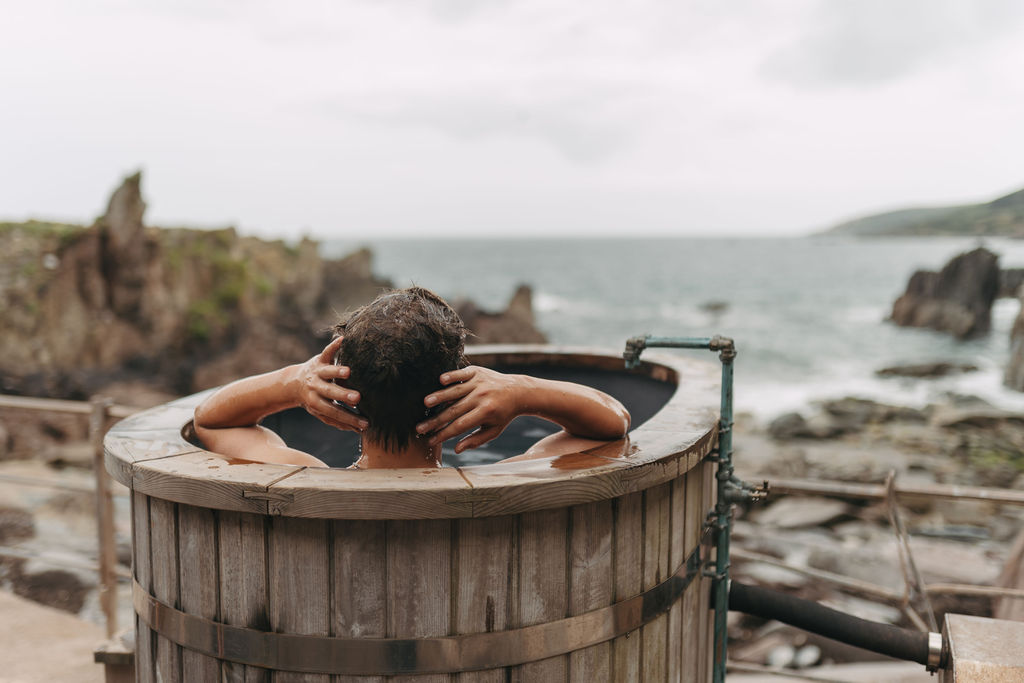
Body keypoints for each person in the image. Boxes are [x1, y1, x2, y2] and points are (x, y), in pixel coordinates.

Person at [194, 287, 630, 468]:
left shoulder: (300, 475)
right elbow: (612, 422)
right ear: (459, 389)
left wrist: (294, 381)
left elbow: (210, 419)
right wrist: (520, 391)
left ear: (345, 393)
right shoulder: (514, 480)